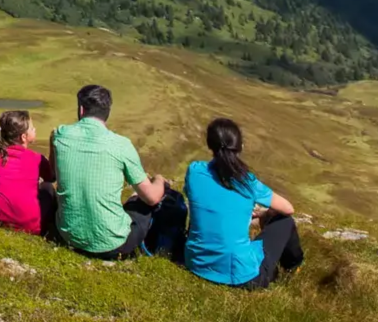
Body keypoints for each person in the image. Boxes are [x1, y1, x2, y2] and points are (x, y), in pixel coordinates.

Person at [50, 84, 170, 260]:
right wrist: (159, 180)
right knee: (140, 204)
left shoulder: (59, 134)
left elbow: (53, 174)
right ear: (107, 112)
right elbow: (151, 197)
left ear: (81, 110)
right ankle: (157, 251)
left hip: (68, 235)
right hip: (113, 245)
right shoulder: (121, 145)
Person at [183, 117, 304, 289]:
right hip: (241, 276)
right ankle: (293, 267)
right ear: (240, 147)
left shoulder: (194, 171)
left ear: (210, 145)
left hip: (195, 264)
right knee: (285, 222)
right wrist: (265, 214)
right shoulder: (247, 181)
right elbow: (288, 208)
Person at [0, 110, 57, 236]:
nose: (35, 129)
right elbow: (51, 177)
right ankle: (52, 227)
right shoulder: (36, 158)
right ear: (23, 137)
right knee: (47, 187)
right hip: (32, 227)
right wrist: (53, 146)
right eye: (31, 128)